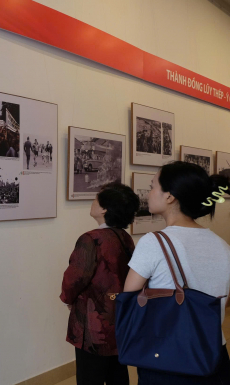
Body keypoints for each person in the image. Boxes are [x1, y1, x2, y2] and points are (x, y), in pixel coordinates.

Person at [123, 161, 230, 384]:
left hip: (168, 356)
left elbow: (129, 297)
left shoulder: (153, 242)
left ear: (170, 196)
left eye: (153, 186)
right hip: (215, 354)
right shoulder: (223, 246)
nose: (149, 193)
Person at [61, 182, 139, 385]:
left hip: (93, 321)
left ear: (105, 208)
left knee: (90, 376)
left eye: (96, 198)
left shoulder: (91, 239)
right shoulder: (124, 237)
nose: (93, 201)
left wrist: (68, 299)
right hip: (118, 316)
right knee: (117, 373)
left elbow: (75, 278)